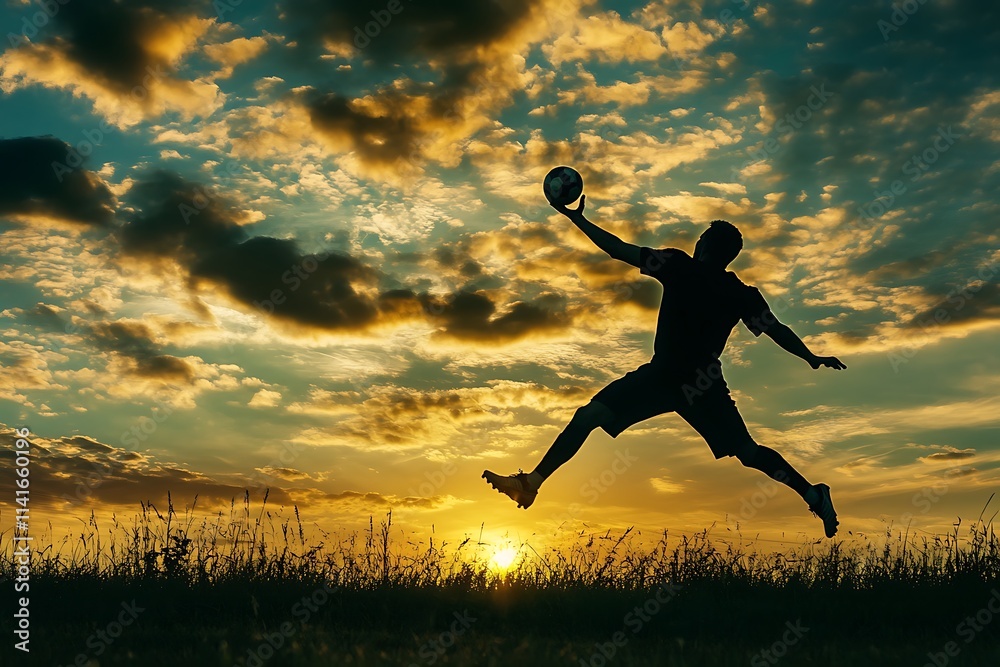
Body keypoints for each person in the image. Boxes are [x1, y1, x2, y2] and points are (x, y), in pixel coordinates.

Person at [483, 194, 846, 538]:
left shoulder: (678, 266)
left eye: (701, 237)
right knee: (748, 453)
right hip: (697, 382)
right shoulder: (740, 293)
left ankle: (533, 482)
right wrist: (810, 357)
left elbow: (616, 250)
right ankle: (813, 494)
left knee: (587, 417)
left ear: (704, 244)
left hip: (669, 376)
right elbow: (776, 330)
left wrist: (578, 219)